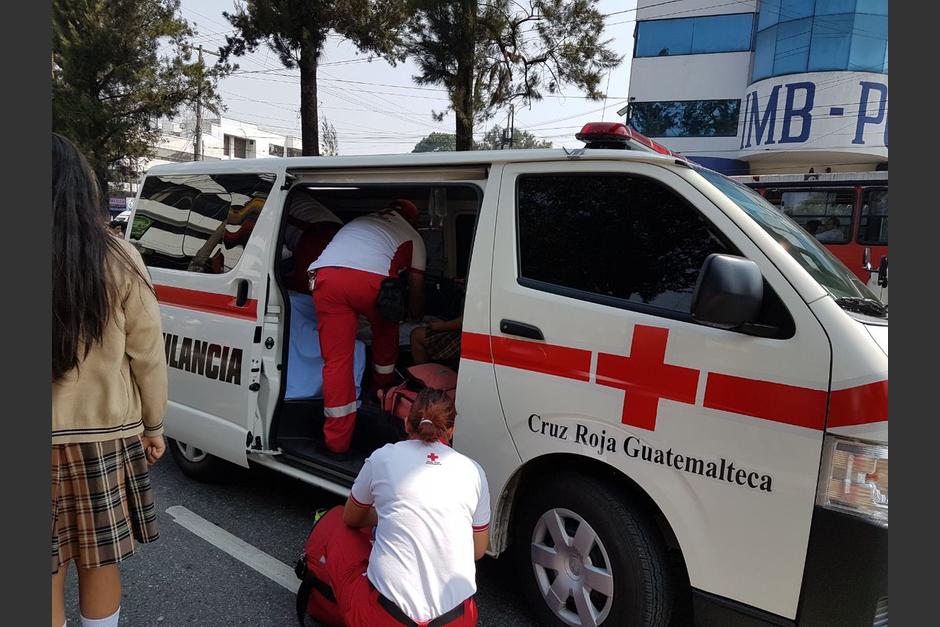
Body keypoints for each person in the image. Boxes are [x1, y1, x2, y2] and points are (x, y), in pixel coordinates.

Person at [52, 134, 168, 627]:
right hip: (104, 438)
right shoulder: (120, 258)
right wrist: (154, 424)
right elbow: (148, 353)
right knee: (99, 561)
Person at [303, 389, 489, 627]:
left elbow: (352, 518)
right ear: (451, 430)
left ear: (405, 422)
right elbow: (477, 551)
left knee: (337, 521)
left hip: (386, 618)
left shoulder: (384, 457)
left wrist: (392, 514)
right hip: (456, 620)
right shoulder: (474, 471)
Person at [309, 199, 426, 454]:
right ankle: (380, 393)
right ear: (413, 218)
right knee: (386, 334)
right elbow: (416, 287)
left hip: (326, 277)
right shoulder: (413, 236)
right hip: (372, 282)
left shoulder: (359, 222)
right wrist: (415, 315)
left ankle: (336, 442)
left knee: (337, 362)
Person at [282, 189, 343, 293]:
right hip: (335, 229)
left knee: (308, 284)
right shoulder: (287, 192)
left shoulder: (268, 197)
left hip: (315, 233)